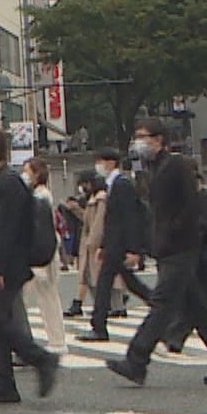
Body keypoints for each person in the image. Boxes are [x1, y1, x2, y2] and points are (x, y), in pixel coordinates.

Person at [104, 119, 207, 387]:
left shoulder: (176, 165)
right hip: (170, 248)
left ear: (159, 140)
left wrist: (172, 232)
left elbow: (190, 206)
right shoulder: (154, 168)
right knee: (198, 308)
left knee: (162, 304)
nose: (139, 141)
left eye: (143, 136)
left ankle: (136, 359)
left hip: (180, 248)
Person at [0, 125, 59, 405]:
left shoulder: (9, 183)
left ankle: (39, 361)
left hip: (7, 266)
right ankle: (6, 381)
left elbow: (9, 229)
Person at [76, 147, 151, 343]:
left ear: (110, 163)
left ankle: (99, 326)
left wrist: (134, 250)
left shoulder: (122, 184)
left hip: (119, 246)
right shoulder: (113, 185)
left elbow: (129, 218)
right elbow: (113, 220)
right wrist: (104, 244)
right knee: (128, 284)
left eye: (100, 161)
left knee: (108, 284)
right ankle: (163, 308)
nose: (98, 166)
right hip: (114, 245)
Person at [21, 158, 68, 355]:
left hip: (42, 251)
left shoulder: (41, 195)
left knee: (45, 296)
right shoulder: (39, 194)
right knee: (44, 296)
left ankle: (57, 341)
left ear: (37, 174)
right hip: (43, 249)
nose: (24, 175)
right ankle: (55, 340)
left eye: (27, 171)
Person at [66, 174, 106, 320]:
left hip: (93, 244)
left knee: (92, 275)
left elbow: (95, 222)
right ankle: (81, 303)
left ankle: (83, 303)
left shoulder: (100, 200)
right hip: (89, 243)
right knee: (87, 275)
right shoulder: (92, 200)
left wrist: (92, 242)